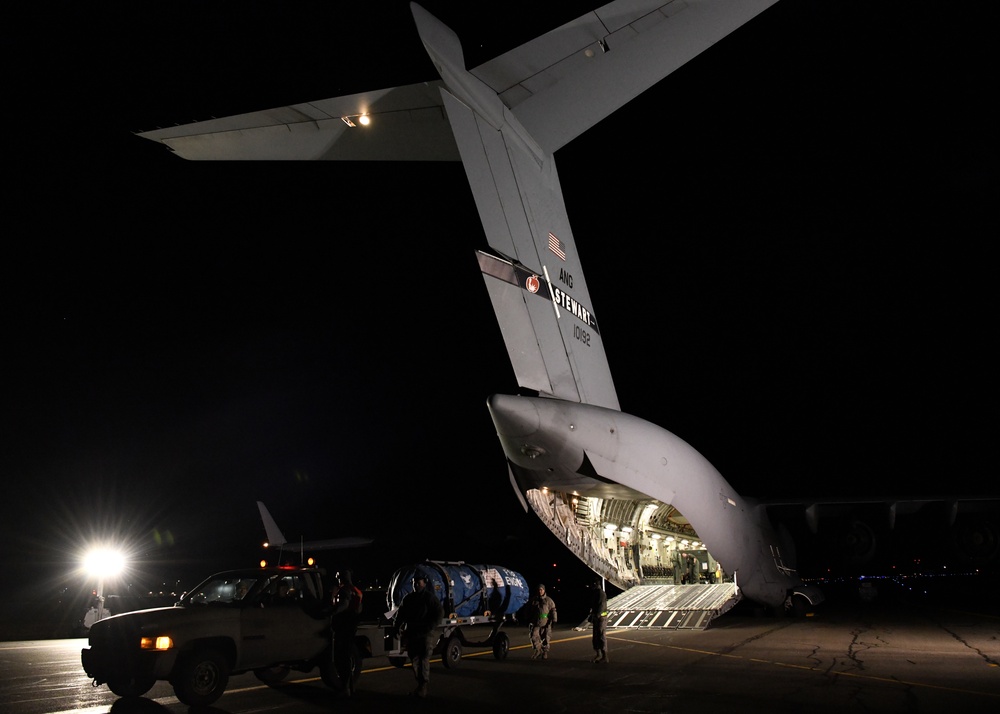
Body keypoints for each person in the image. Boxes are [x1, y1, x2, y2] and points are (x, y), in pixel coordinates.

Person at [395, 572, 443, 698]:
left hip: (425, 634)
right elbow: (400, 614)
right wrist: (396, 627)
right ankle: (420, 685)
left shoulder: (429, 598)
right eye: (414, 582)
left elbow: (439, 612)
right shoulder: (409, 598)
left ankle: (423, 686)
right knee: (415, 659)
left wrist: (430, 627)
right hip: (412, 633)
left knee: (423, 658)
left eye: (419, 581)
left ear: (425, 583)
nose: (416, 583)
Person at [330, 570, 363, 698]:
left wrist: (332, 612)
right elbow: (359, 609)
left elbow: (343, 605)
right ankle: (350, 687)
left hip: (343, 627)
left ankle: (346, 688)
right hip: (351, 626)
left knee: (341, 658)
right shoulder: (357, 591)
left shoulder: (343, 590)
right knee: (347, 657)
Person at [527, 583, 557, 659]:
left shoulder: (549, 600)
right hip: (535, 622)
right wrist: (527, 618)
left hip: (545, 622)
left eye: (541, 589)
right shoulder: (534, 600)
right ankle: (538, 650)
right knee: (533, 636)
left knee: (545, 638)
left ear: (544, 590)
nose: (540, 591)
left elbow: (553, 610)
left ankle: (545, 652)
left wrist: (554, 620)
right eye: (538, 590)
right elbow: (529, 610)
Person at [587, 577, 609, 663]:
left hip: (601, 618)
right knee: (596, 637)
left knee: (601, 636)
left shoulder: (601, 593)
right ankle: (598, 654)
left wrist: (597, 614)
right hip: (597, 618)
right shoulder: (595, 593)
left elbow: (601, 605)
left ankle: (604, 656)